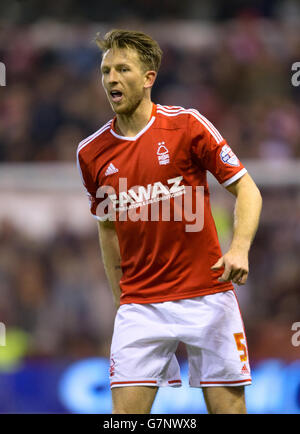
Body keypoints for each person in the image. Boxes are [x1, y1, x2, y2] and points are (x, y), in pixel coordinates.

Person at [76, 29, 262, 414]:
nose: (111, 78)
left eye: (122, 69)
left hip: (209, 297)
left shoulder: (188, 126)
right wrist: (120, 298)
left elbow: (248, 190)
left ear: (148, 78)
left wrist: (239, 249)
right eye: (106, 70)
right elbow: (107, 227)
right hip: (140, 306)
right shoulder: (91, 153)